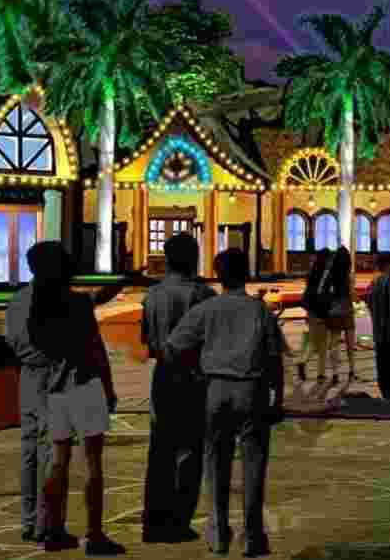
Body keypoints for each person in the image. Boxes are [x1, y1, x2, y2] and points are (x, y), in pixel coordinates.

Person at [166, 248, 285, 558]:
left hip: (215, 388)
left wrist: (195, 373)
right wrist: (278, 399)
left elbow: (173, 347)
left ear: (218, 275)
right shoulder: (260, 311)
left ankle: (218, 533)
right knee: (254, 464)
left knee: (215, 462)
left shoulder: (207, 309)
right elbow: (275, 359)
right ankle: (252, 536)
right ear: (246, 273)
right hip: (252, 389)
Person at [27, 241, 124, 555]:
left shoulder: (38, 309)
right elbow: (95, 349)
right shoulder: (78, 304)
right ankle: (94, 535)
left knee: (58, 461)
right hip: (85, 384)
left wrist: (121, 282)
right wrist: (109, 388)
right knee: (93, 462)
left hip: (56, 389)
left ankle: (53, 530)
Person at [141, 233, 215, 544]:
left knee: (160, 448)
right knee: (190, 449)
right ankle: (178, 520)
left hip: (162, 375)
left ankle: (153, 521)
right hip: (193, 376)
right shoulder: (203, 294)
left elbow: (147, 342)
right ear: (193, 258)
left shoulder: (152, 295)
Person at [3, 243, 61, 543]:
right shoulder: (57, 300)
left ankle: (29, 519)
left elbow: (11, 340)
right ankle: (44, 522)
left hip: (28, 375)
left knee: (29, 450)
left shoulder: (18, 300)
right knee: (49, 450)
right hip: (53, 375)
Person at [366, 252, 390, 399]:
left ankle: (387, 395)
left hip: (380, 333)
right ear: (389, 264)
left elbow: (370, 306)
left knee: (383, 367)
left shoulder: (373, 284)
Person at [296, 248, 335, 389]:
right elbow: (327, 295)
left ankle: (307, 363)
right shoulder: (327, 274)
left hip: (311, 311)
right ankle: (317, 371)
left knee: (315, 341)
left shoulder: (312, 272)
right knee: (322, 344)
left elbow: (308, 293)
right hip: (322, 312)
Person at [323, 248, 356, 386]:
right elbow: (352, 295)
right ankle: (352, 371)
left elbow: (325, 292)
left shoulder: (330, 275)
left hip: (333, 311)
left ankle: (335, 373)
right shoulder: (349, 276)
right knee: (350, 344)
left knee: (334, 344)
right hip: (347, 310)